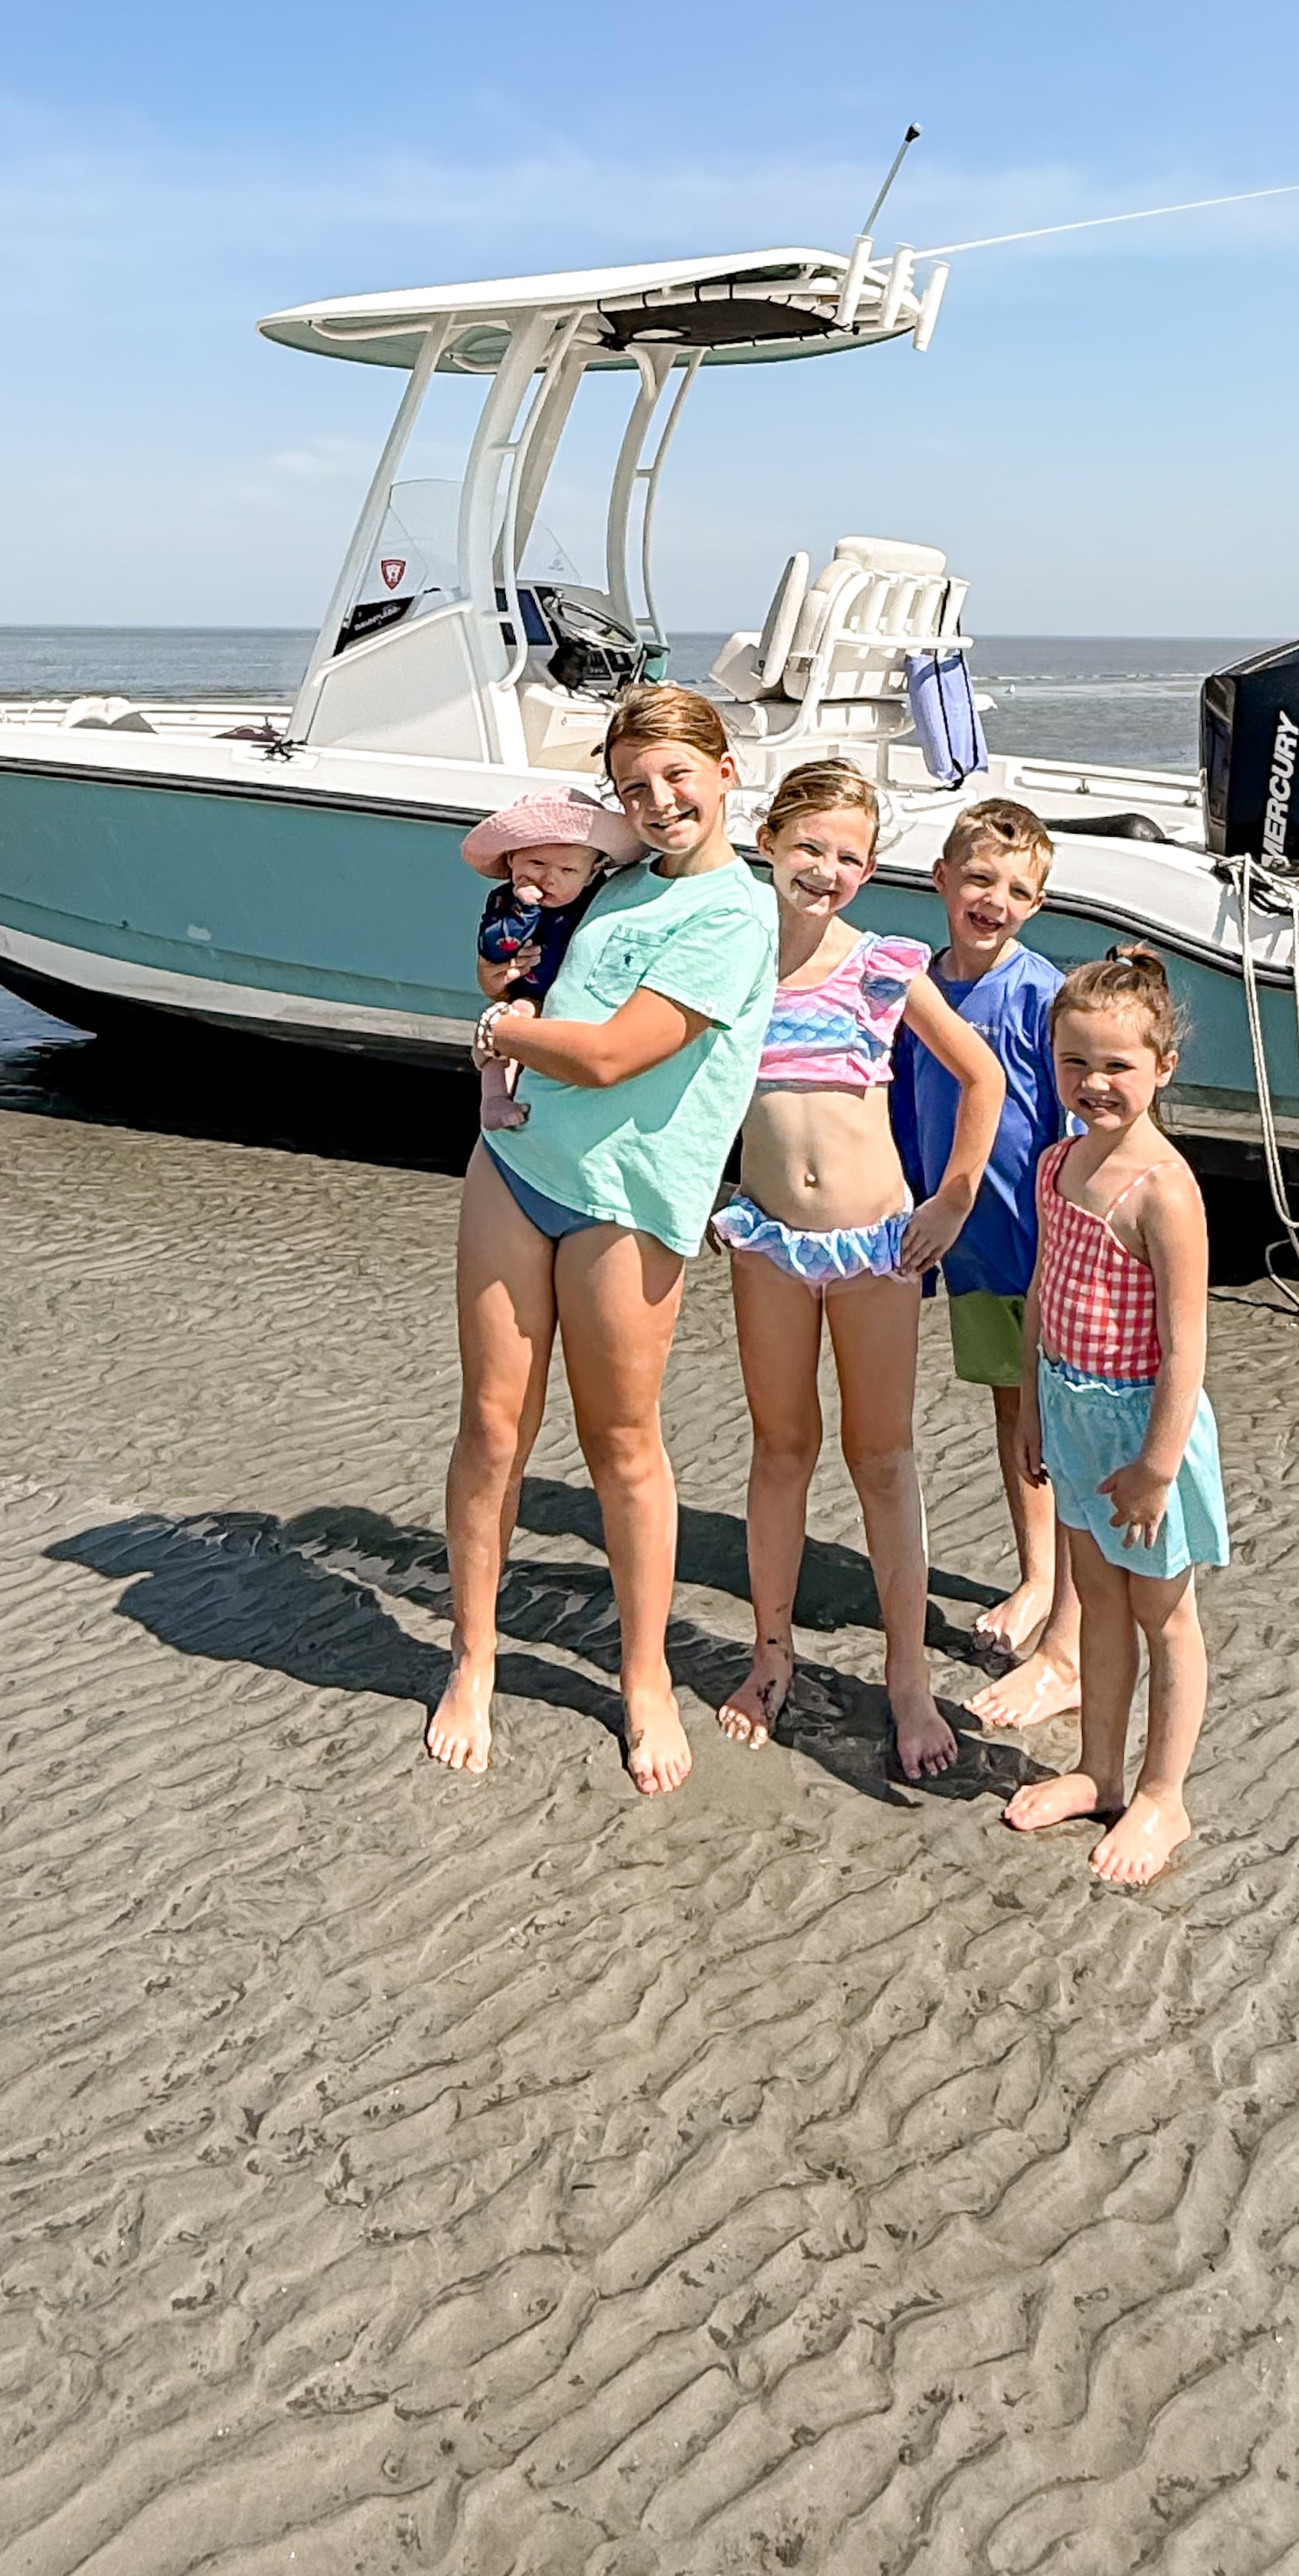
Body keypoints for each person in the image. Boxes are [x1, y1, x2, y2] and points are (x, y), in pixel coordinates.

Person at [426, 685, 776, 1797]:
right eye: (635, 785)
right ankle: (472, 1658)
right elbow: (520, 925)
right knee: (490, 1428)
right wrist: (502, 977)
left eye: (679, 774)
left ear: (727, 770)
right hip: (519, 1169)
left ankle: (643, 1675)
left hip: (629, 1202)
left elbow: (624, 1052)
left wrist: (502, 1030)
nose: (658, 800)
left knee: (622, 1443)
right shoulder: (617, 877)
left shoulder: (735, 912)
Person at [710, 760, 1006, 1785]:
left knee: (881, 1457)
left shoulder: (881, 963)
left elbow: (982, 1073)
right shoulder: (734, 960)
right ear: (768, 842)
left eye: (847, 855)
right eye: (808, 847)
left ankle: (909, 1677)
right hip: (767, 1243)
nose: (826, 868)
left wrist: (955, 1195)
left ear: (870, 869)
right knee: (780, 1449)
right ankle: (771, 1656)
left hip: (879, 1243)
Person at [1003, 951, 1229, 1885]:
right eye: (1074, 1063)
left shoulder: (1164, 1191)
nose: (1094, 1084)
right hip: (1069, 1406)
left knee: (1162, 1614)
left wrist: (1157, 1466)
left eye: (1117, 1066)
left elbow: (1187, 1349)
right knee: (1094, 1597)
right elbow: (1040, 1293)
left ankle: (1162, 1793)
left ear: (1163, 1067)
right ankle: (1097, 1769)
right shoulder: (1059, 1162)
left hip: (1144, 1429)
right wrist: (1030, 1411)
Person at [887, 797, 1078, 1730]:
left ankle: (1069, 1611)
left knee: (1059, 1424)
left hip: (1041, 1248)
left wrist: (1069, 1244)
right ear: (942, 882)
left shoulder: (1039, 995)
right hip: (964, 1249)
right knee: (1013, 1410)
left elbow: (1071, 1125)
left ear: (1037, 905)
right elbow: (903, 1112)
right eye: (979, 880)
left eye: (1019, 890)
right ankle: (1038, 1574)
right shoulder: (920, 988)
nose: (995, 900)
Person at [460, 786, 637, 1138]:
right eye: (536, 863)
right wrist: (525, 909)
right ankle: (494, 1099)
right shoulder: (504, 901)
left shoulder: (599, 900)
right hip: (530, 993)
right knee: (507, 1024)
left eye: (568, 869)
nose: (548, 878)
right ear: (511, 859)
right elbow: (495, 947)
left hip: (579, 1000)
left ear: (591, 874)